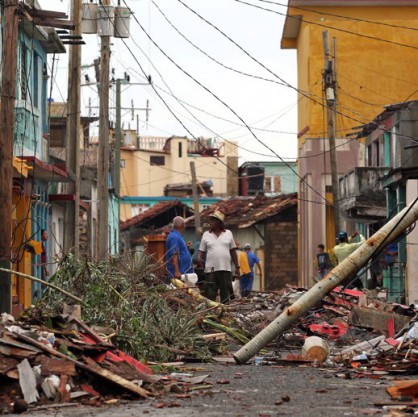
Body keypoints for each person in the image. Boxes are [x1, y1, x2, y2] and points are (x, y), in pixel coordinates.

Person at [198, 210, 239, 303]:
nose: (210, 222)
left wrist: (237, 267)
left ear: (218, 222)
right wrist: (199, 259)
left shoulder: (228, 233)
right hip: (211, 270)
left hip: (225, 269)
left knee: (225, 295)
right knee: (210, 295)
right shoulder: (206, 234)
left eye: (213, 220)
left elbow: (233, 251)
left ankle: (225, 315)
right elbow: (201, 250)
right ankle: (211, 315)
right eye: (210, 220)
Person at [165, 216, 193, 280]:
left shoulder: (177, 236)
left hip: (183, 273)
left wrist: (185, 246)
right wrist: (177, 271)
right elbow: (174, 254)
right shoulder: (174, 237)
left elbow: (177, 249)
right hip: (179, 275)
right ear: (183, 225)